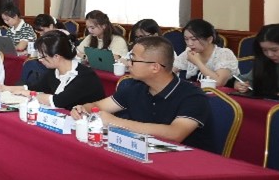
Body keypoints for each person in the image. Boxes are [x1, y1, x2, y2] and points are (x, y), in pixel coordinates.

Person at [72, 35, 213, 152]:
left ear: (155, 67)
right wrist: (83, 109)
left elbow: (175, 133)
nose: (128, 64)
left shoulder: (192, 96)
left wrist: (116, 122)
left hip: (185, 163)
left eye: (133, 60)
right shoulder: (135, 87)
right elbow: (98, 106)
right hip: (140, 152)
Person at [0, 30, 105, 110]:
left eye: (43, 56)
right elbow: (33, 87)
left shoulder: (84, 77)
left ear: (56, 56)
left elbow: (58, 101)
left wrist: (29, 94)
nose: (40, 60)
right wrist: (5, 88)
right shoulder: (54, 71)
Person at [172, 18, 237, 87]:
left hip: (219, 93)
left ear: (209, 39)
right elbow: (171, 72)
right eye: (186, 39)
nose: (189, 43)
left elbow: (218, 82)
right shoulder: (189, 52)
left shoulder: (224, 54)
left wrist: (197, 62)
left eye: (194, 39)